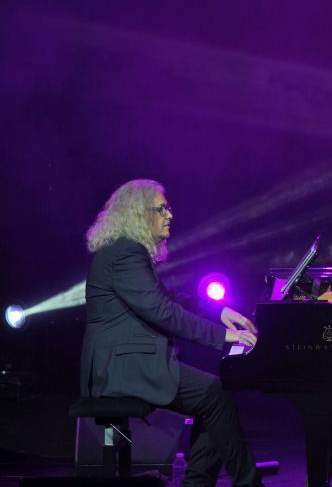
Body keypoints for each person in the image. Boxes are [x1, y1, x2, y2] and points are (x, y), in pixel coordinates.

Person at [81, 179, 263, 487]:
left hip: (129, 362)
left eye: (168, 207)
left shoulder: (127, 252)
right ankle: (244, 482)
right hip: (119, 368)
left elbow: (169, 299)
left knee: (216, 394)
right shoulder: (125, 253)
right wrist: (223, 336)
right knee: (216, 394)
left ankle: (202, 482)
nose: (170, 214)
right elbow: (161, 311)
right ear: (139, 213)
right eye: (162, 208)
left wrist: (218, 312)